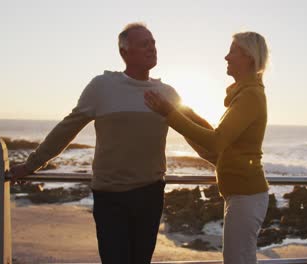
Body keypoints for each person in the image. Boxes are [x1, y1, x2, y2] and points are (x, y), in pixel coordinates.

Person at [10, 22, 181, 264]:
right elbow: (67, 129)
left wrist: (221, 161)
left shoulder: (167, 93)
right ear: (124, 52)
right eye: (144, 44)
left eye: (153, 43)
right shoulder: (102, 87)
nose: (152, 48)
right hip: (110, 197)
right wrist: (31, 165)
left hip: (150, 195)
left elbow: (195, 130)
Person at [144, 31, 270, 264]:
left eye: (233, 51)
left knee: (237, 260)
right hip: (241, 194)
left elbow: (215, 142)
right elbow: (217, 145)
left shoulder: (250, 96)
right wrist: (183, 112)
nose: (226, 57)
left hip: (246, 195)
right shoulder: (244, 95)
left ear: (249, 57)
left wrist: (170, 114)